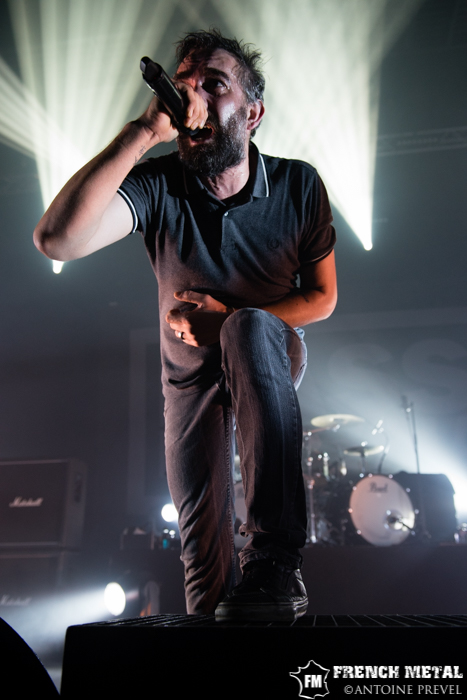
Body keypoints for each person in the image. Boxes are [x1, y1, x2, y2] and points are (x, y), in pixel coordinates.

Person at [34, 29, 337, 622]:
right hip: (189, 380)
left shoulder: (298, 184)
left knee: (247, 332)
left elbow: (322, 297)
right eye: (184, 84)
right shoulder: (160, 183)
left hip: (269, 350)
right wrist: (143, 132)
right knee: (204, 563)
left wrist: (229, 321)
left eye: (213, 85)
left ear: (253, 114)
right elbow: (56, 240)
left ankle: (276, 560)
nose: (192, 95)